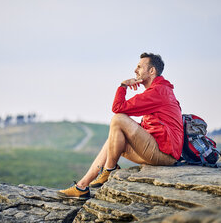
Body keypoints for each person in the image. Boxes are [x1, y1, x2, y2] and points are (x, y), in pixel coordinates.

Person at [57, 52, 183, 199]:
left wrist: (123, 86)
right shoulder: (159, 91)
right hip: (159, 150)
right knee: (112, 139)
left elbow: (118, 107)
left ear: (152, 71)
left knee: (118, 119)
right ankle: (82, 186)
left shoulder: (158, 91)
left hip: (165, 154)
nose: (135, 71)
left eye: (139, 67)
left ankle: (109, 170)